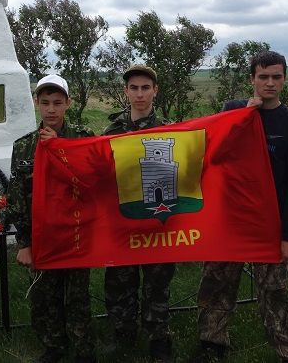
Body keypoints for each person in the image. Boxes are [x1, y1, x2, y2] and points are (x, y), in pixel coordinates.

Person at [192, 51, 288, 363]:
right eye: (263, 77)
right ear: (252, 79)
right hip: (230, 217)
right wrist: (246, 113)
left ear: (284, 79)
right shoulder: (233, 110)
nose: (270, 83)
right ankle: (212, 343)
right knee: (216, 283)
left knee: (275, 291)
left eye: (276, 77)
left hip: (269, 222)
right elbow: (215, 153)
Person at [6, 74, 96, 363]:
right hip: (42, 236)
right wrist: (24, 242)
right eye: (45, 103)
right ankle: (54, 347)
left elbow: (95, 181)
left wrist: (60, 148)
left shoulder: (83, 139)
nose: (51, 110)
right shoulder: (23, 147)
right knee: (45, 296)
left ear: (68, 103)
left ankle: (84, 351)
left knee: (77, 297)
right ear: (36, 103)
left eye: (58, 103)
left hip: (76, 234)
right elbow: (17, 196)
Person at [103, 64, 176, 363]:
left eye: (146, 87)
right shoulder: (112, 131)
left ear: (155, 90)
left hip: (158, 219)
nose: (140, 94)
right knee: (120, 280)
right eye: (134, 88)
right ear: (126, 91)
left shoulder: (170, 130)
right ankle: (124, 333)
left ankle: (159, 338)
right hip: (123, 220)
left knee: (158, 282)